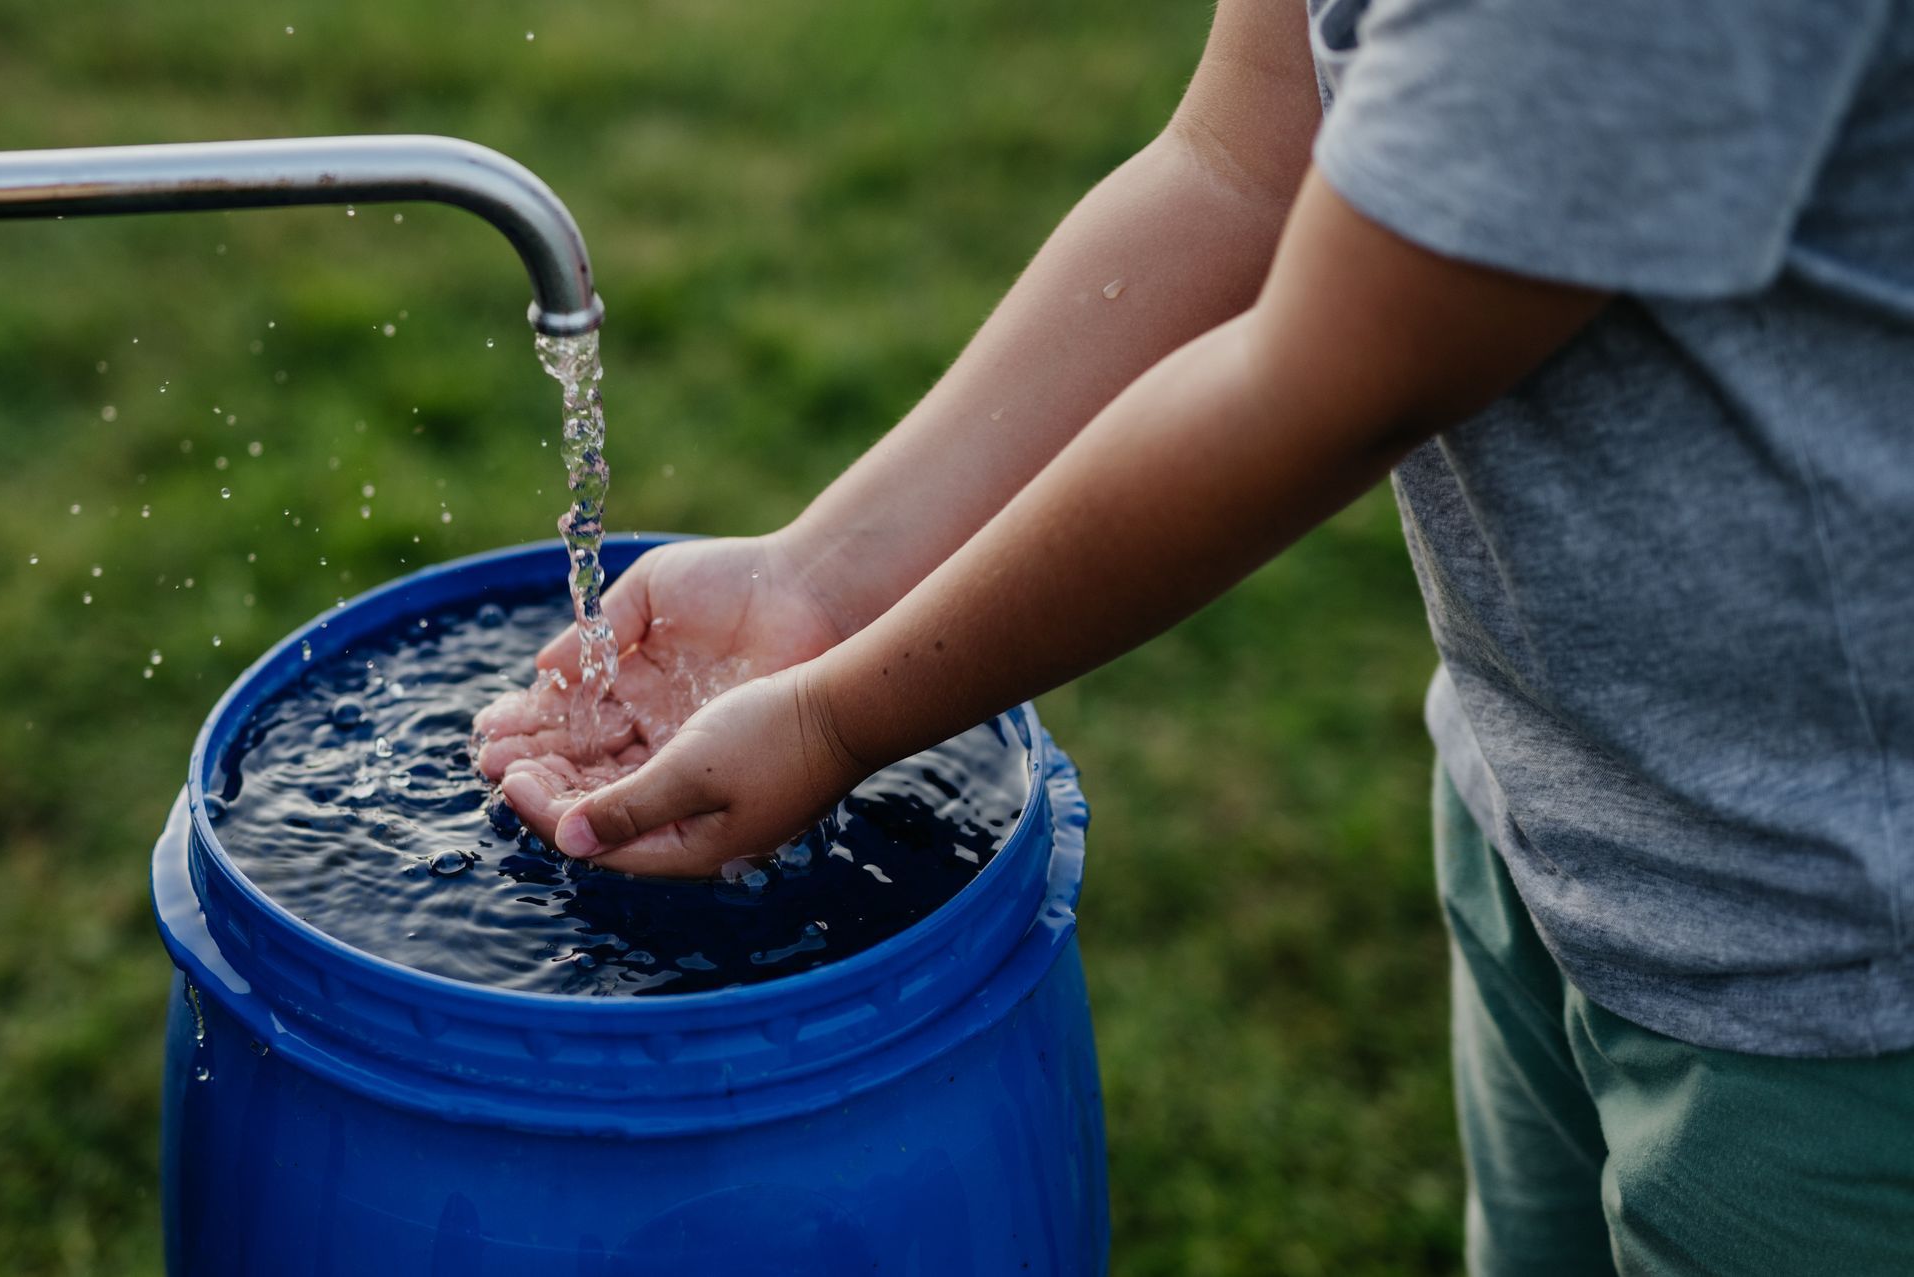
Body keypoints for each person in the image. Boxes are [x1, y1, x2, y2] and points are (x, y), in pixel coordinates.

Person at [477, 0, 1914, 1269]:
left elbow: (1325, 382)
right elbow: (1243, 165)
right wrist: (818, 579)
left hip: (1833, 961)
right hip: (1552, 798)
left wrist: (838, 717)